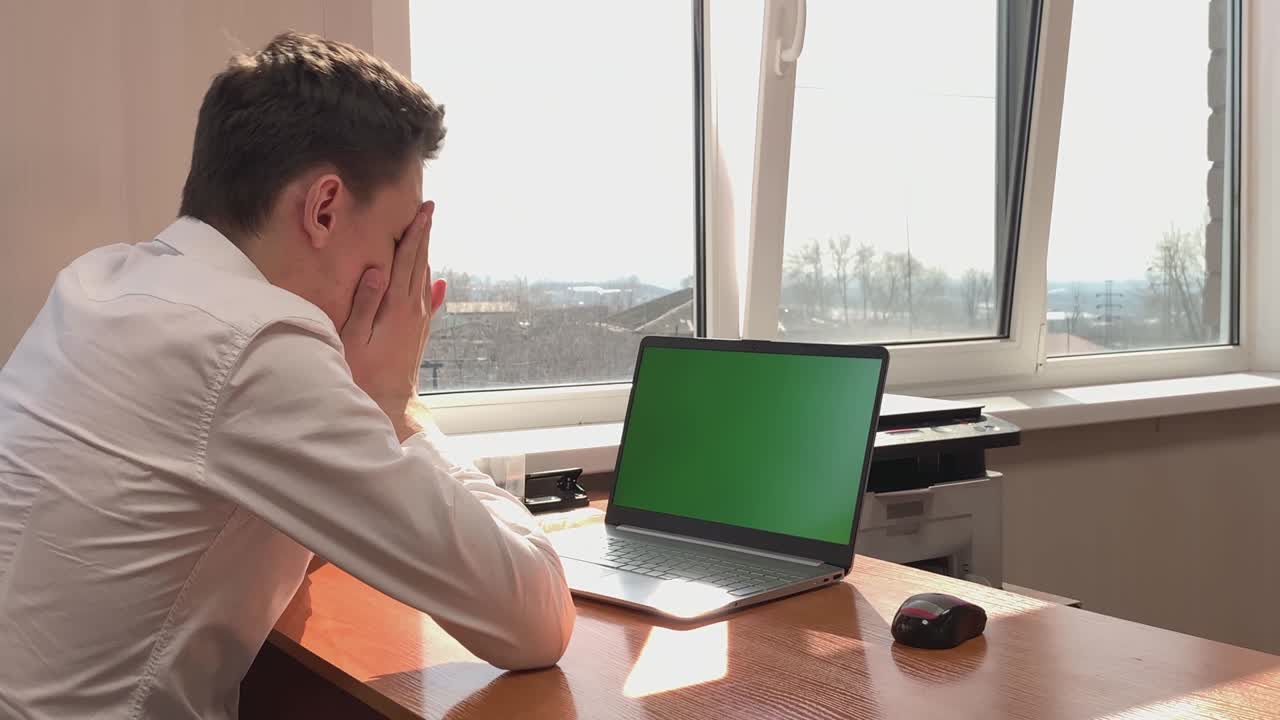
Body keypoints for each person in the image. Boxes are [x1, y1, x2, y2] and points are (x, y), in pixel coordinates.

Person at [0, 31, 574, 719]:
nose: (400, 280)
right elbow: (537, 618)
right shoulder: (255, 344)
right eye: (399, 242)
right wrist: (394, 403)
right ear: (323, 208)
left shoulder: (100, 283)